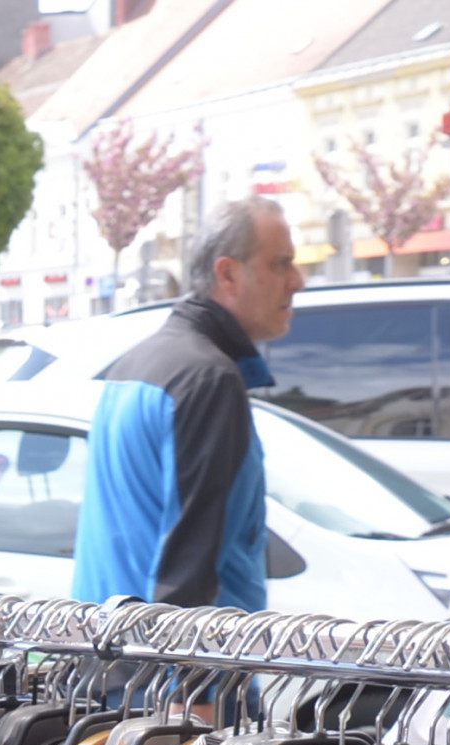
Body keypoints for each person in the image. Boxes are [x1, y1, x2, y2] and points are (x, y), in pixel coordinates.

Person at [71, 197, 303, 611]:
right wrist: (183, 675)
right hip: (173, 667)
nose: (297, 281)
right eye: (280, 264)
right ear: (228, 274)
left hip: (108, 654)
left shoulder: (135, 364)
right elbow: (191, 567)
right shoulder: (208, 380)